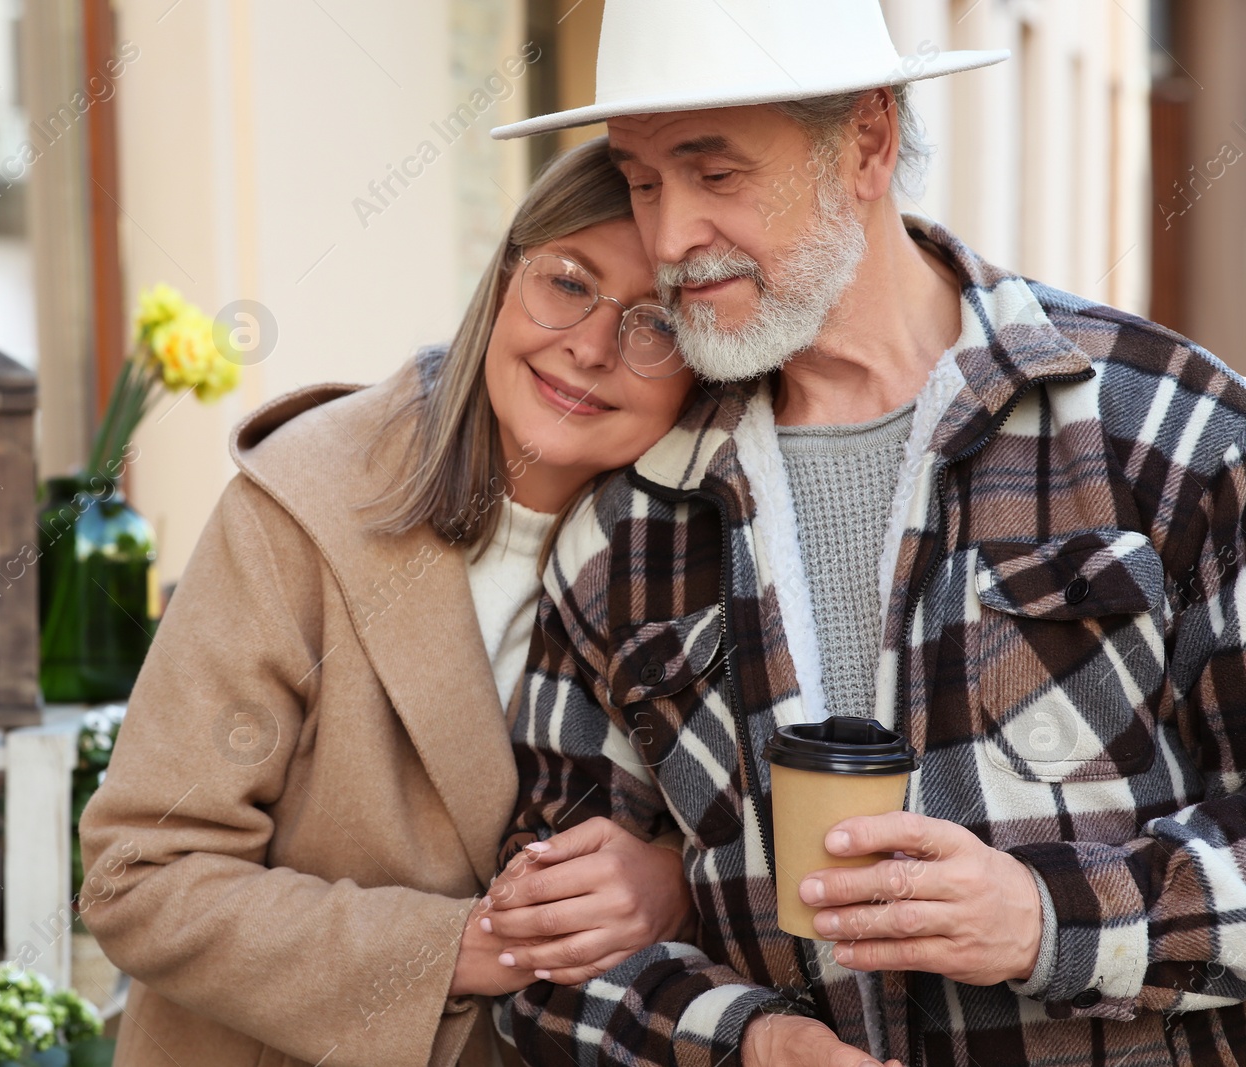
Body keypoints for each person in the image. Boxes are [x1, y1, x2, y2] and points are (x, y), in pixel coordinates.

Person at [483, 3, 1246, 1067]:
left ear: (868, 144)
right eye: (643, 179)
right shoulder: (627, 525)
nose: (665, 239)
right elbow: (544, 969)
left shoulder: (1166, 429)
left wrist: (1042, 917)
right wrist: (752, 1042)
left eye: (717, 175)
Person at [77, 138, 700, 1067]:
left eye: (655, 324)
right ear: (502, 279)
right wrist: (467, 946)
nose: (592, 345)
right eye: (567, 282)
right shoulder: (301, 504)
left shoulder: (719, 550)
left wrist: (678, 884)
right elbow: (142, 874)